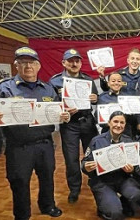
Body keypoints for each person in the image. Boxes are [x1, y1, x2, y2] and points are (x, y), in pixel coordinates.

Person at [0, 47, 69, 219]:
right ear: (16, 66)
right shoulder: (4, 89)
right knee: (19, 181)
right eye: (23, 63)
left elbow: (58, 111)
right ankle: (22, 214)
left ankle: (47, 206)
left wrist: (63, 115)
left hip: (45, 143)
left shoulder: (48, 89)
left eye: (31, 62)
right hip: (18, 147)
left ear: (38, 66)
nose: (28, 66)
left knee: (47, 177)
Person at [49, 48, 99, 203]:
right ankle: (74, 189)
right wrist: (62, 110)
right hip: (69, 123)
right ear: (64, 63)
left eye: (77, 61)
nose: (74, 63)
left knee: (92, 154)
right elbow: (51, 104)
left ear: (80, 63)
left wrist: (94, 98)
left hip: (87, 121)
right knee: (71, 159)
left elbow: (96, 100)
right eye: (70, 61)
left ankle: (97, 183)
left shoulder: (89, 80)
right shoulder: (55, 81)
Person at [81, 111, 140, 219]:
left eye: (122, 122)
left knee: (136, 194)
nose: (118, 125)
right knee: (115, 213)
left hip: (122, 179)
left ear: (125, 125)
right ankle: (103, 206)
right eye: (115, 121)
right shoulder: (96, 141)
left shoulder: (129, 141)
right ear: (109, 123)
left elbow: (136, 165)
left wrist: (131, 169)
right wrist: (86, 166)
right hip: (102, 181)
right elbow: (84, 162)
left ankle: (123, 201)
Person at [97, 72, 140, 138]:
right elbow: (98, 117)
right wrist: (107, 123)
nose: (116, 83)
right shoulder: (102, 97)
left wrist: (138, 122)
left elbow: (137, 113)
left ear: (122, 84)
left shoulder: (128, 97)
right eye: (113, 81)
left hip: (126, 132)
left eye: (119, 81)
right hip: (108, 132)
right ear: (108, 83)